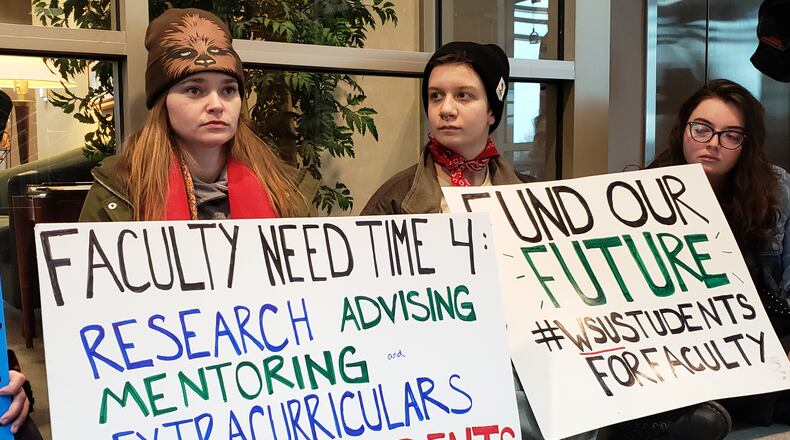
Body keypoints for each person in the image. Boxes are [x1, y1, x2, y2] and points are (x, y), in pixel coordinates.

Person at [361, 41, 595, 440]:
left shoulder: (532, 197)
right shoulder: (395, 199)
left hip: (518, 361)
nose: (446, 109)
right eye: (436, 96)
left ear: (492, 111)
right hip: (428, 369)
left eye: (463, 95)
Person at [650, 78, 790, 430]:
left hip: (764, 343)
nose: (713, 143)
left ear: (746, 144)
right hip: (680, 351)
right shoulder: (645, 191)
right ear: (683, 129)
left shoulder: (776, 189)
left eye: (731, 135)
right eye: (701, 129)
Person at [80, 8, 309, 222]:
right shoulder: (120, 189)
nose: (216, 105)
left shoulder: (285, 189)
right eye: (194, 90)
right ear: (163, 102)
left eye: (228, 90)